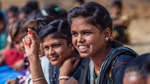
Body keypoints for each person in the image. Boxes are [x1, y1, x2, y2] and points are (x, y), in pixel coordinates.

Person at [60, 2, 137, 84]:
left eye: (86, 33)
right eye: (75, 34)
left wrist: (63, 77)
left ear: (106, 34)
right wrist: (63, 75)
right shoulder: (89, 62)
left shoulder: (122, 64)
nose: (79, 40)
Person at [22, 19, 82, 84]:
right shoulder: (52, 64)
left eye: (56, 45)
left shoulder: (84, 65)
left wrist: (63, 77)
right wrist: (33, 57)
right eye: (46, 47)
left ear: (71, 45)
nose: (51, 52)